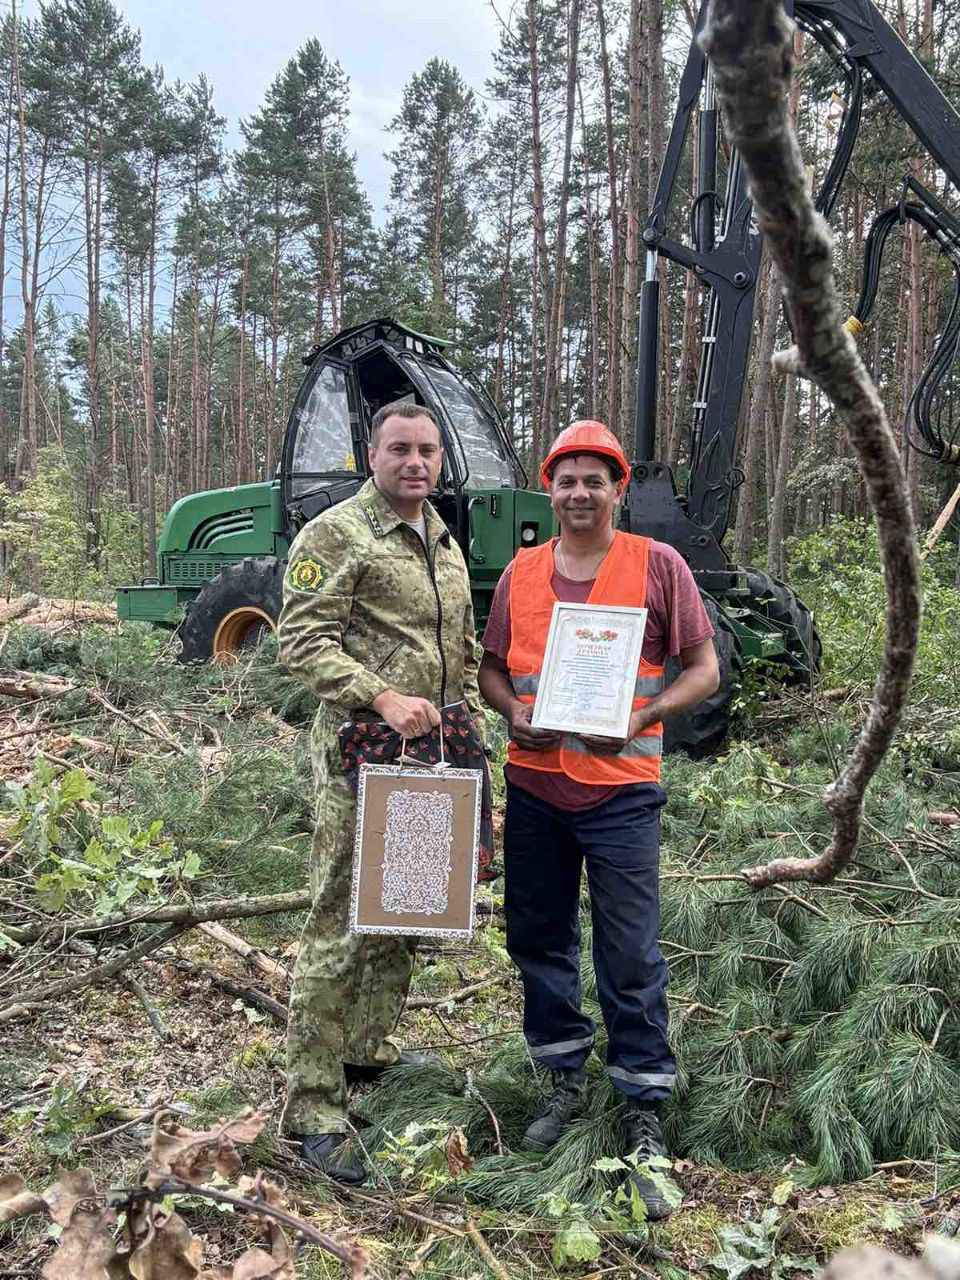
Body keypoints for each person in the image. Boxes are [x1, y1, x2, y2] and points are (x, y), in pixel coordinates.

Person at [478, 420, 719, 1220]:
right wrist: (514, 711)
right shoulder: (520, 572)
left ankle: (643, 1103)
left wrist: (644, 714)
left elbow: (704, 669)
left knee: (629, 949)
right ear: (549, 490)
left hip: (622, 791)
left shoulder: (658, 566)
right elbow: (490, 670)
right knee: (538, 937)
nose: (579, 493)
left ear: (618, 489)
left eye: (594, 480)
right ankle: (563, 1079)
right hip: (536, 787)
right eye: (566, 480)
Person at [277, 399, 484, 1183]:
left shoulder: (440, 538)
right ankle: (312, 1107)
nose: (415, 462)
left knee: (402, 913)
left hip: (428, 759)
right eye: (400, 449)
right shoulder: (337, 534)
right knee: (339, 921)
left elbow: (458, 649)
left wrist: (470, 729)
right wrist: (381, 695)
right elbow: (302, 642)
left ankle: (366, 1051)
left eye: (427, 450)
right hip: (360, 757)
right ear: (372, 455)